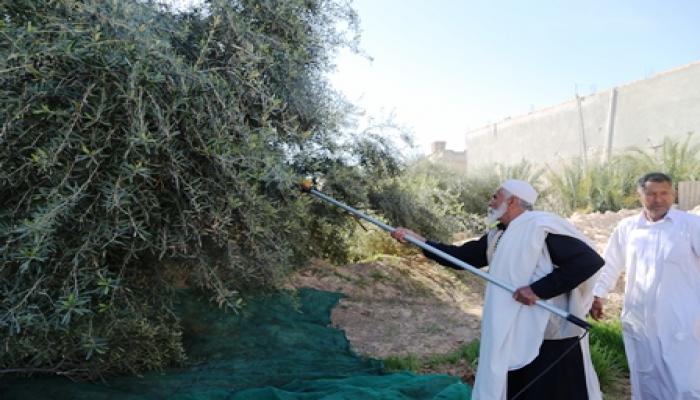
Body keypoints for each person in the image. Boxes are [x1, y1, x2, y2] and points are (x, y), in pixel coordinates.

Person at [392, 179, 603, 400]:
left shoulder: (540, 228)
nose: (490, 202)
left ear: (512, 201)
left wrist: (538, 290)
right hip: (513, 328)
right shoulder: (499, 235)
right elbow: (462, 257)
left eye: (495, 197)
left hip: (550, 334)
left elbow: (588, 261)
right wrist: (420, 241)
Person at [590, 172, 700, 399]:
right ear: (640, 196)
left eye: (664, 193)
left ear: (673, 194)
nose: (658, 199)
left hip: (681, 318)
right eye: (651, 194)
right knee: (645, 376)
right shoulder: (627, 228)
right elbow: (610, 263)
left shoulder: (691, 226)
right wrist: (597, 294)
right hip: (639, 317)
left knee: (684, 379)